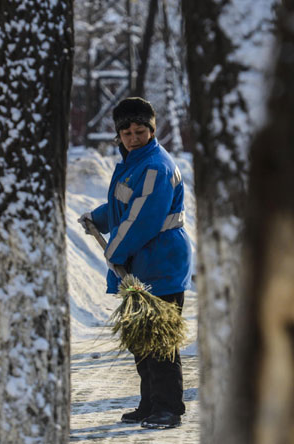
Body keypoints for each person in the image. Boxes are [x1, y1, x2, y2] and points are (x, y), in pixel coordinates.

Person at [78, 97, 192, 429]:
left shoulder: (156, 165)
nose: (133, 137)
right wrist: (98, 219)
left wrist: (114, 249)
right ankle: (150, 403)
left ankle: (169, 408)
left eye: (139, 130)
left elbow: (143, 219)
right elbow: (124, 207)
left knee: (160, 340)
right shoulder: (134, 163)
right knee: (141, 339)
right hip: (143, 262)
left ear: (152, 130)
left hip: (160, 261)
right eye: (126, 132)